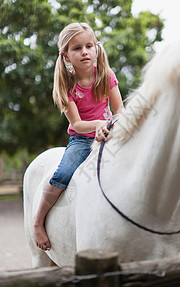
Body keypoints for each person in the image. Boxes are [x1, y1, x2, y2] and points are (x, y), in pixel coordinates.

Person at [33, 22, 123, 251]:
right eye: (77, 48)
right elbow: (78, 124)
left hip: (111, 132)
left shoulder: (106, 75)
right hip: (82, 139)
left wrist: (111, 125)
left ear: (97, 48)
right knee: (63, 173)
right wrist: (99, 124)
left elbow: (120, 111)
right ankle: (38, 221)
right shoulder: (67, 86)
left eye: (89, 46)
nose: (84, 51)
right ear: (66, 56)